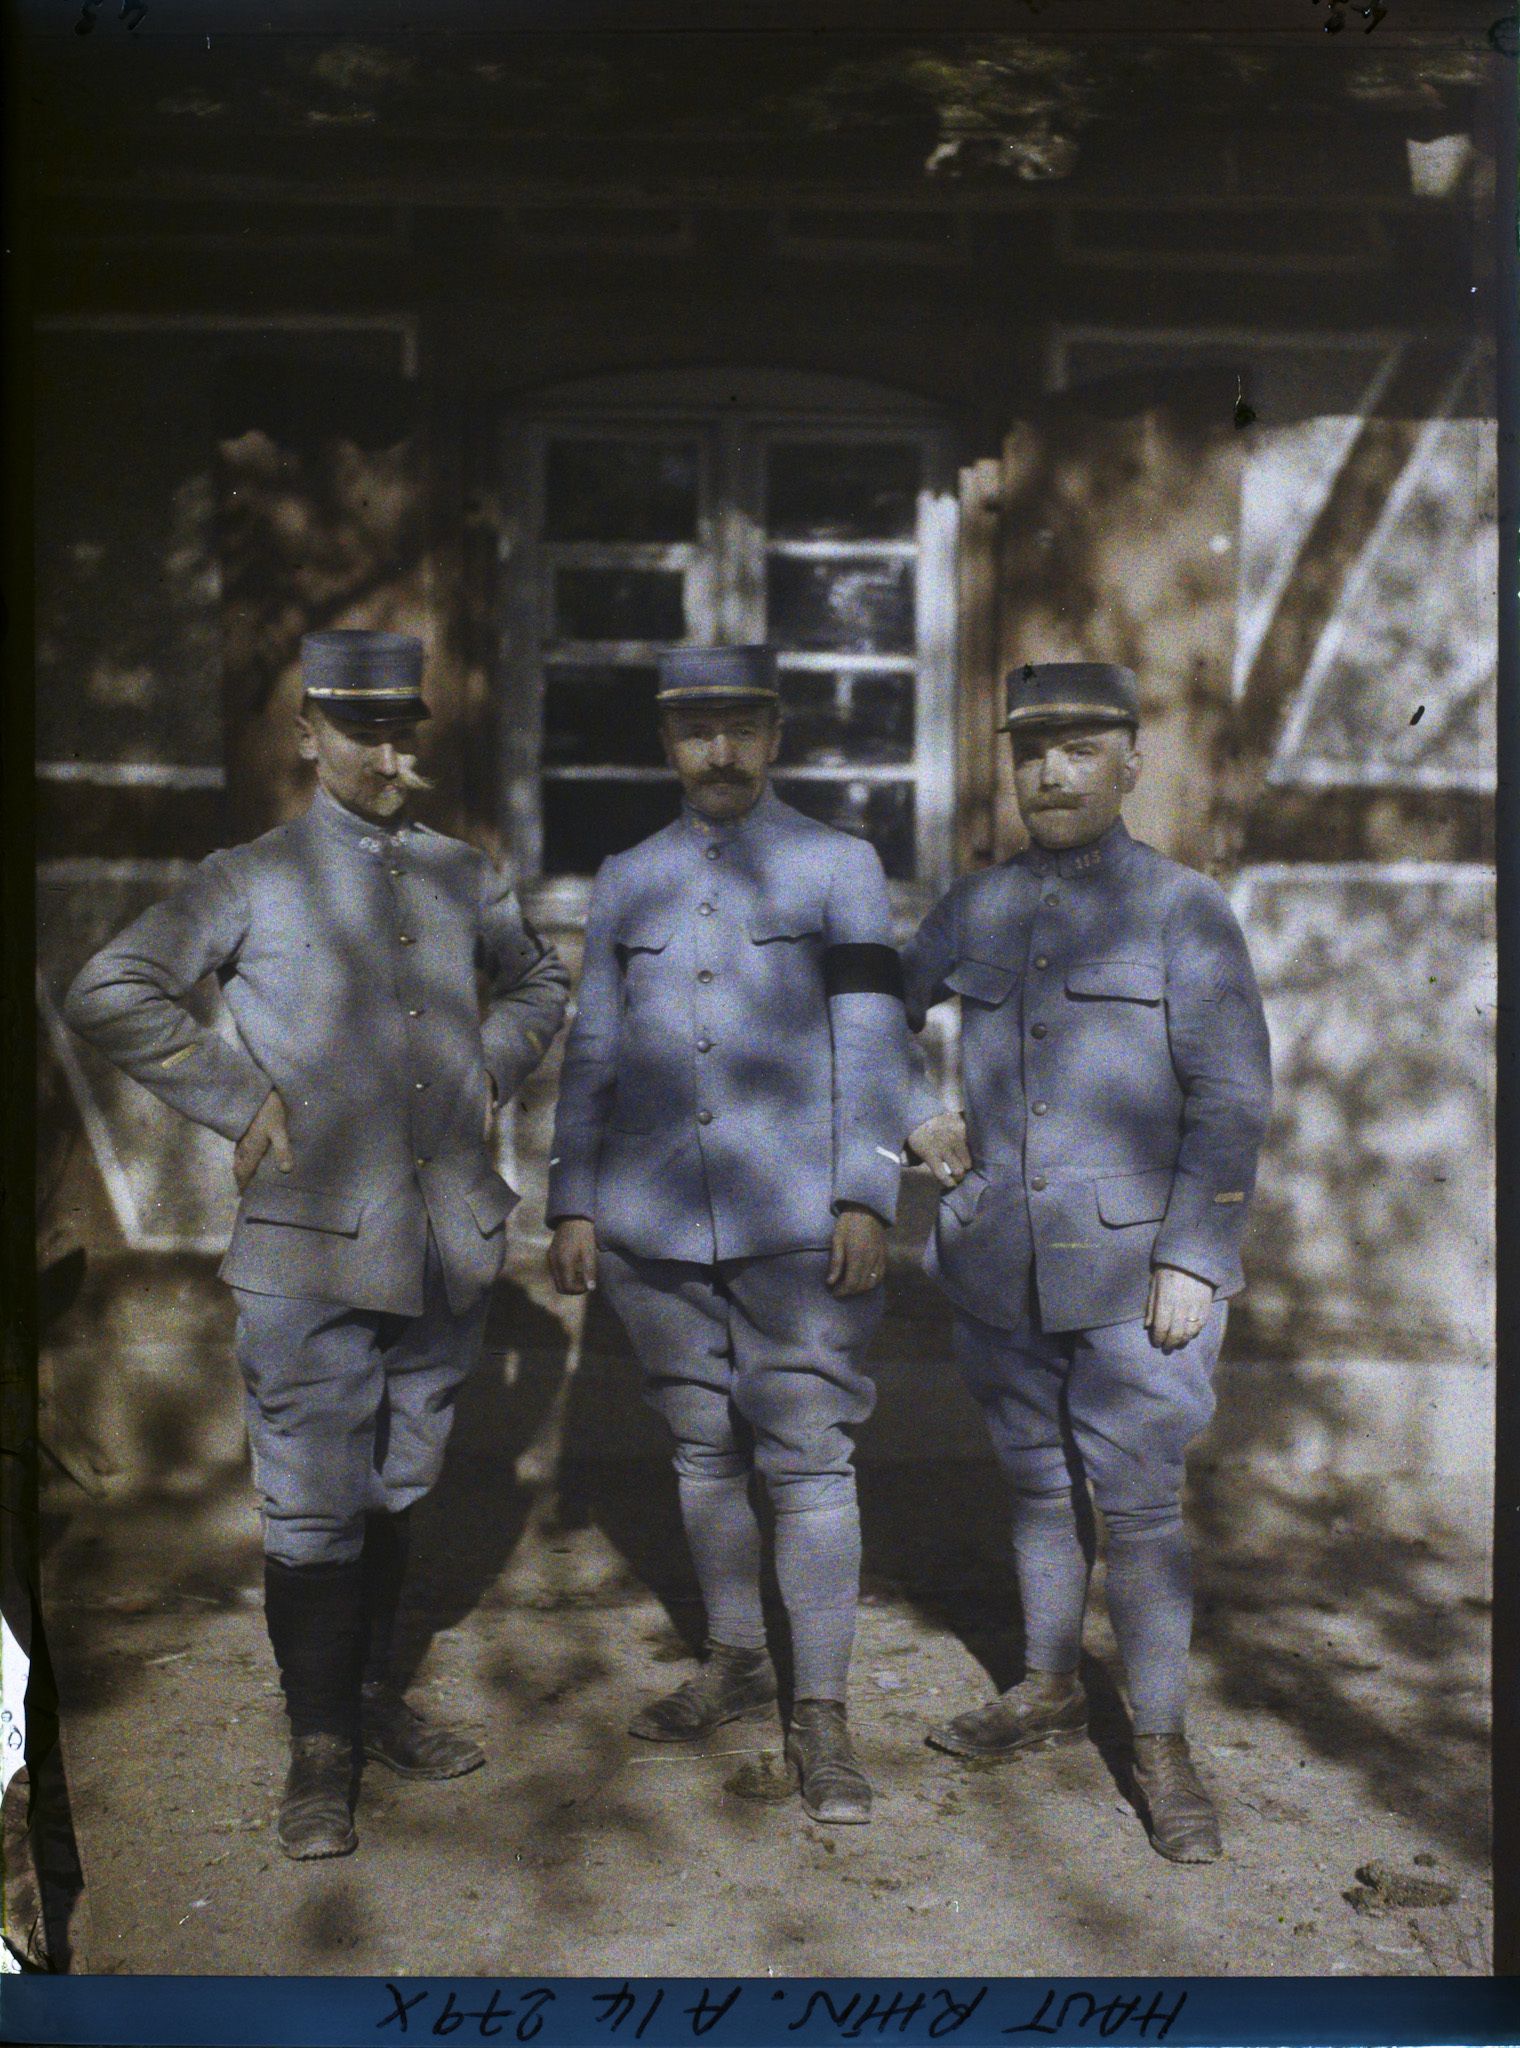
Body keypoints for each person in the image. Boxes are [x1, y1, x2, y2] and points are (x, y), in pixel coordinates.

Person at [63, 629, 569, 1860]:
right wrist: (237, 1099)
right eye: (363, 732)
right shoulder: (249, 876)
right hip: (303, 1251)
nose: (390, 757)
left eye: (407, 733)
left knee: (396, 1481)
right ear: (308, 736)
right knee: (310, 1504)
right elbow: (109, 987)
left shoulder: (464, 874)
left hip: (446, 1242)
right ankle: (318, 1751)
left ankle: (367, 1699)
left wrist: (488, 1065)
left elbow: (539, 982)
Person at [546, 645, 927, 1825]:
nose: (718, 753)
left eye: (740, 728)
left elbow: (873, 1042)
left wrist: (867, 1191)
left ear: (774, 734)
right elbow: (595, 1047)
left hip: (795, 1218)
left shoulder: (838, 865)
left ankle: (820, 1713)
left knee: (806, 1455)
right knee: (700, 1445)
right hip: (655, 1216)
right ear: (667, 742)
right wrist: (572, 1196)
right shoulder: (626, 877)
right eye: (694, 730)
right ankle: (731, 1656)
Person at [902, 661, 1272, 1863]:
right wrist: (914, 1119)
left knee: (1142, 1512)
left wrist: (1194, 1254)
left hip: (1135, 1276)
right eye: (1028, 752)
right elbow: (869, 1026)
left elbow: (1230, 1095)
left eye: (1076, 749)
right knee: (1028, 1484)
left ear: (1129, 761)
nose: (1047, 773)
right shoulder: (972, 907)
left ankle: (1160, 1745)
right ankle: (1048, 1681)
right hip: (996, 1261)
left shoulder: (1182, 908)